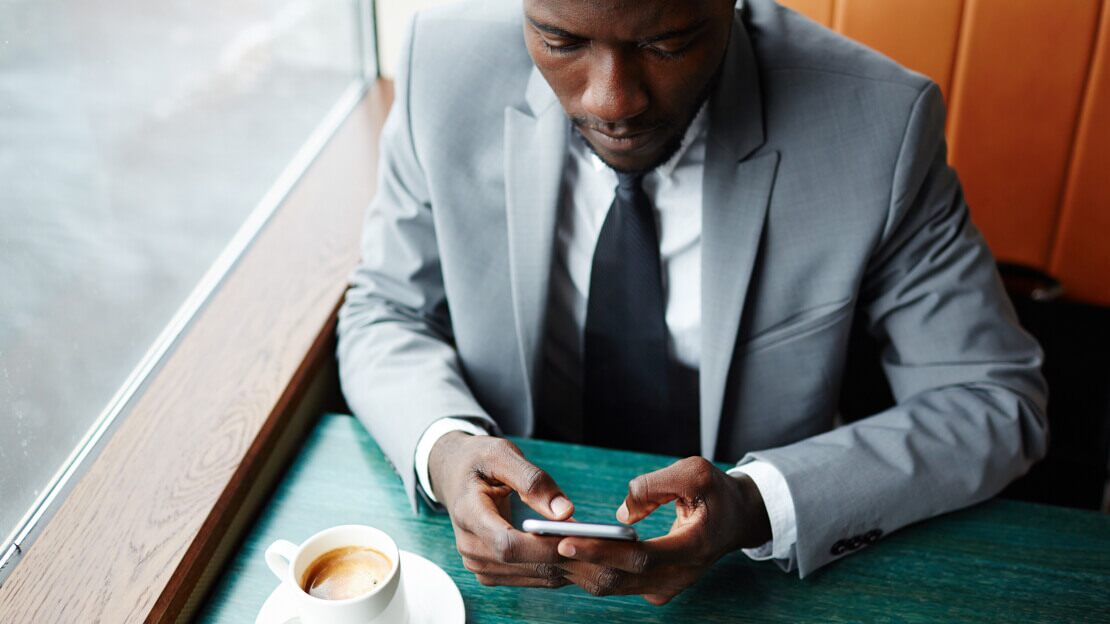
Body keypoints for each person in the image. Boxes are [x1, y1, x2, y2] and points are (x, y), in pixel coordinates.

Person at [337, 0, 1048, 605]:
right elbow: (385, 311)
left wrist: (759, 503)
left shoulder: (880, 125)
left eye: (665, 43)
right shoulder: (442, 64)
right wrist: (444, 447)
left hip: (752, 584)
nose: (610, 101)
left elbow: (991, 397)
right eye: (561, 41)